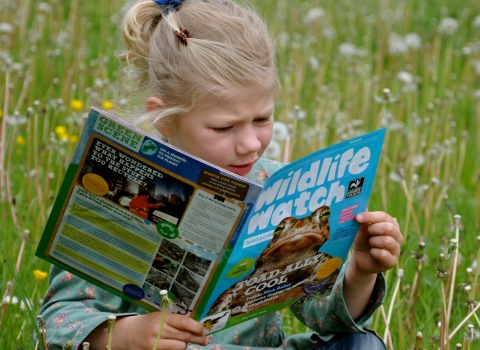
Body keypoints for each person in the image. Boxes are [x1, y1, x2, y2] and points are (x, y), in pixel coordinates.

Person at [38, 0, 403, 349]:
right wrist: (123, 336)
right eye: (224, 127)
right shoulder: (117, 189)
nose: (250, 144)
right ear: (165, 118)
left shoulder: (276, 188)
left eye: (261, 119)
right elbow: (59, 319)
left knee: (361, 343)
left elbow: (325, 317)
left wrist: (361, 273)